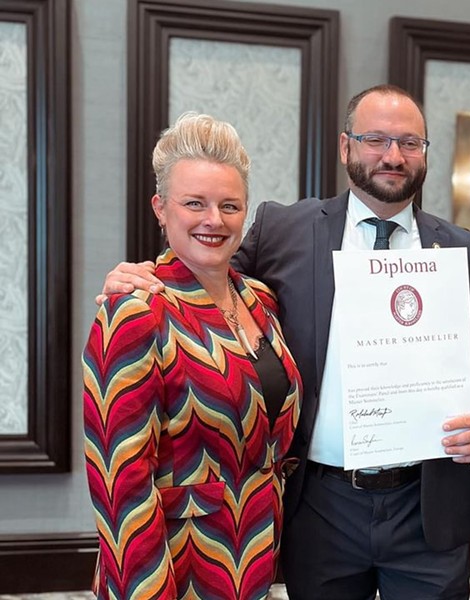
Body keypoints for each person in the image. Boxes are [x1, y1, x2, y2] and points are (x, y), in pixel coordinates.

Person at [98, 85, 470, 600]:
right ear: (346, 147)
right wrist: (140, 276)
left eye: (410, 143)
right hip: (321, 505)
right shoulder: (284, 230)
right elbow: (207, 273)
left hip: (427, 503)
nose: (393, 155)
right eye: (376, 139)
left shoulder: (466, 249)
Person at [83, 112, 303, 599]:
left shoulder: (260, 301)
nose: (214, 220)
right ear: (160, 208)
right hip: (174, 569)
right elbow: (119, 481)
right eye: (194, 204)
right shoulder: (136, 311)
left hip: (251, 557)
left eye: (230, 205)